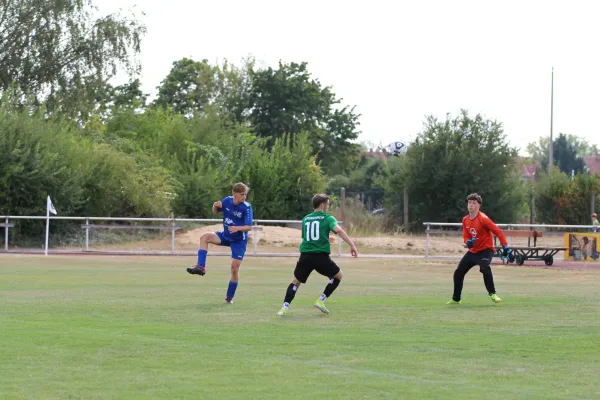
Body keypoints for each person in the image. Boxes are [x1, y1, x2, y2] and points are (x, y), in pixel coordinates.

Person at [276, 194, 358, 316]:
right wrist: (352, 246)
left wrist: (325, 238)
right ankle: (321, 300)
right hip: (320, 257)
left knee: (295, 282)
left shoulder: (305, 219)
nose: (328, 207)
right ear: (322, 205)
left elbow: (307, 238)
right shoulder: (328, 218)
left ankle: (283, 308)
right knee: (338, 276)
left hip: (305, 256)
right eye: (328, 204)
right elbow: (339, 230)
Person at [186, 182, 253, 304]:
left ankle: (229, 298)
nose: (244, 197)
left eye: (245, 194)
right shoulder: (227, 201)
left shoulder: (246, 207)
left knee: (234, 268)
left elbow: (249, 227)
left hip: (239, 241)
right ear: (234, 194)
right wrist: (215, 206)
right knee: (204, 237)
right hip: (226, 236)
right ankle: (201, 267)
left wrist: (237, 228)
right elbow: (216, 211)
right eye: (242, 194)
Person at [447, 193, 510, 305]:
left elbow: (498, 231)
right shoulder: (465, 219)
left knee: (484, 267)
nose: (470, 205)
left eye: (474, 203)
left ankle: (493, 294)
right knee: (458, 273)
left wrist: (505, 246)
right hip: (473, 252)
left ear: (478, 206)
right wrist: (468, 242)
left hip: (486, 250)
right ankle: (456, 299)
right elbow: (466, 236)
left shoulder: (483, 219)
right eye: (469, 202)